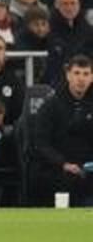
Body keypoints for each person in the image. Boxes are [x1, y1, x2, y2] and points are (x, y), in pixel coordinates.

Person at [35, 54, 93, 207]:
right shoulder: (51, 106)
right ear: (68, 75)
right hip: (59, 170)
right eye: (77, 73)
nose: (81, 79)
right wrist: (63, 163)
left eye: (86, 74)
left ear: (92, 77)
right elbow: (40, 143)